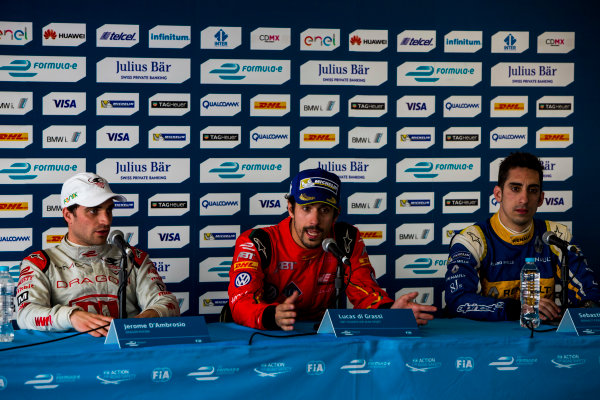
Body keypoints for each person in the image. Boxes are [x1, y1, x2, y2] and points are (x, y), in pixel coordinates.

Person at [227, 168, 437, 331]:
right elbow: (241, 302)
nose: (314, 221)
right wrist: (272, 315)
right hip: (268, 336)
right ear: (291, 209)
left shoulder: (346, 239)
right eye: (306, 208)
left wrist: (390, 312)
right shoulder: (257, 242)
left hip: (321, 339)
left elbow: (364, 291)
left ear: (336, 215)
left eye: (324, 210)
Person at [16, 172, 180, 337]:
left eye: (109, 210)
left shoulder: (132, 257)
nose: (106, 220)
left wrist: (140, 322)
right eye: (94, 211)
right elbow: (26, 314)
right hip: (73, 358)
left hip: (130, 353)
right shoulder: (39, 263)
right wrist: (71, 316)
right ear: (68, 215)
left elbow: (168, 303)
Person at [445, 152, 600, 322]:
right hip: (487, 341)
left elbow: (589, 292)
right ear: (498, 194)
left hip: (542, 339)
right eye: (515, 188)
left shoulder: (556, 235)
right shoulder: (471, 240)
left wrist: (585, 307)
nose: (524, 199)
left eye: (532, 190)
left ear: (540, 198)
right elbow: (458, 300)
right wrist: (520, 308)